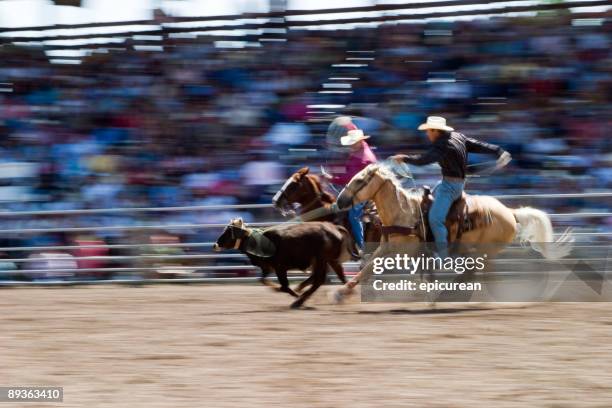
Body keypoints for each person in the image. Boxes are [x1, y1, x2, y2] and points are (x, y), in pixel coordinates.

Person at [392, 116, 511, 255]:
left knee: (435, 219)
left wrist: (405, 158)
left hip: (450, 187)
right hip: (450, 184)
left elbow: (423, 160)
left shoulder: (441, 145)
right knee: (424, 206)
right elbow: (478, 145)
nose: (427, 134)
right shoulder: (458, 136)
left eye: (429, 131)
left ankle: (442, 255)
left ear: (436, 131)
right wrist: (498, 150)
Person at [323, 116, 378, 250]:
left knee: (354, 215)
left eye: (353, 143)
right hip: (359, 187)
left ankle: (362, 248)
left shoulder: (363, 158)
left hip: (364, 191)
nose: (350, 145)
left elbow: (350, 177)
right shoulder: (359, 150)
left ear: (360, 141)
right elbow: (348, 171)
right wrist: (335, 175)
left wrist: (331, 178)